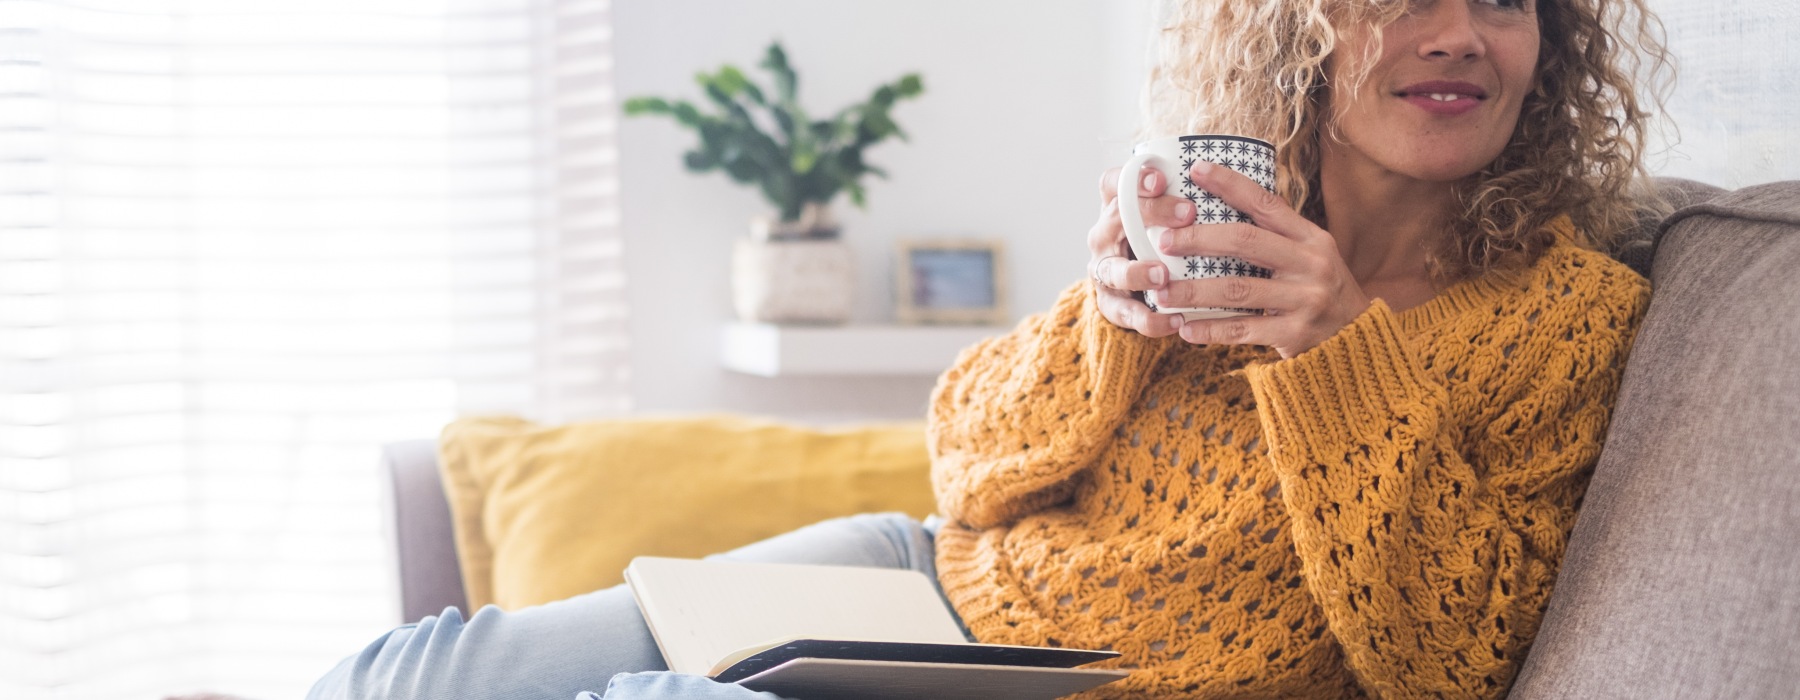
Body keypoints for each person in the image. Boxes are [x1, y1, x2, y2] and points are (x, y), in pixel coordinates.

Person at [309, 0, 1670, 697]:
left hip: (1053, 689)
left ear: (1549, 44)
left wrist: (1334, 351)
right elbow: (967, 461)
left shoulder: (1568, 315)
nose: (1456, 35)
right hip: (918, 585)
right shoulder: (1219, 208)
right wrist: (1103, 315)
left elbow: (1457, 658)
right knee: (411, 674)